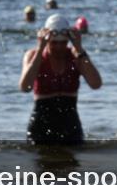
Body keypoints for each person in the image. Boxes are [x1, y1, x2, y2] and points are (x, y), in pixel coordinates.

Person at [19, 14, 102, 145]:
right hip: (41, 125)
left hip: (70, 124)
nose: (58, 47)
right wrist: (40, 49)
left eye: (63, 43)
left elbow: (96, 84)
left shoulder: (77, 56)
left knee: (73, 165)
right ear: (46, 40)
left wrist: (79, 48)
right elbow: (25, 87)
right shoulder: (33, 56)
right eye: (54, 43)